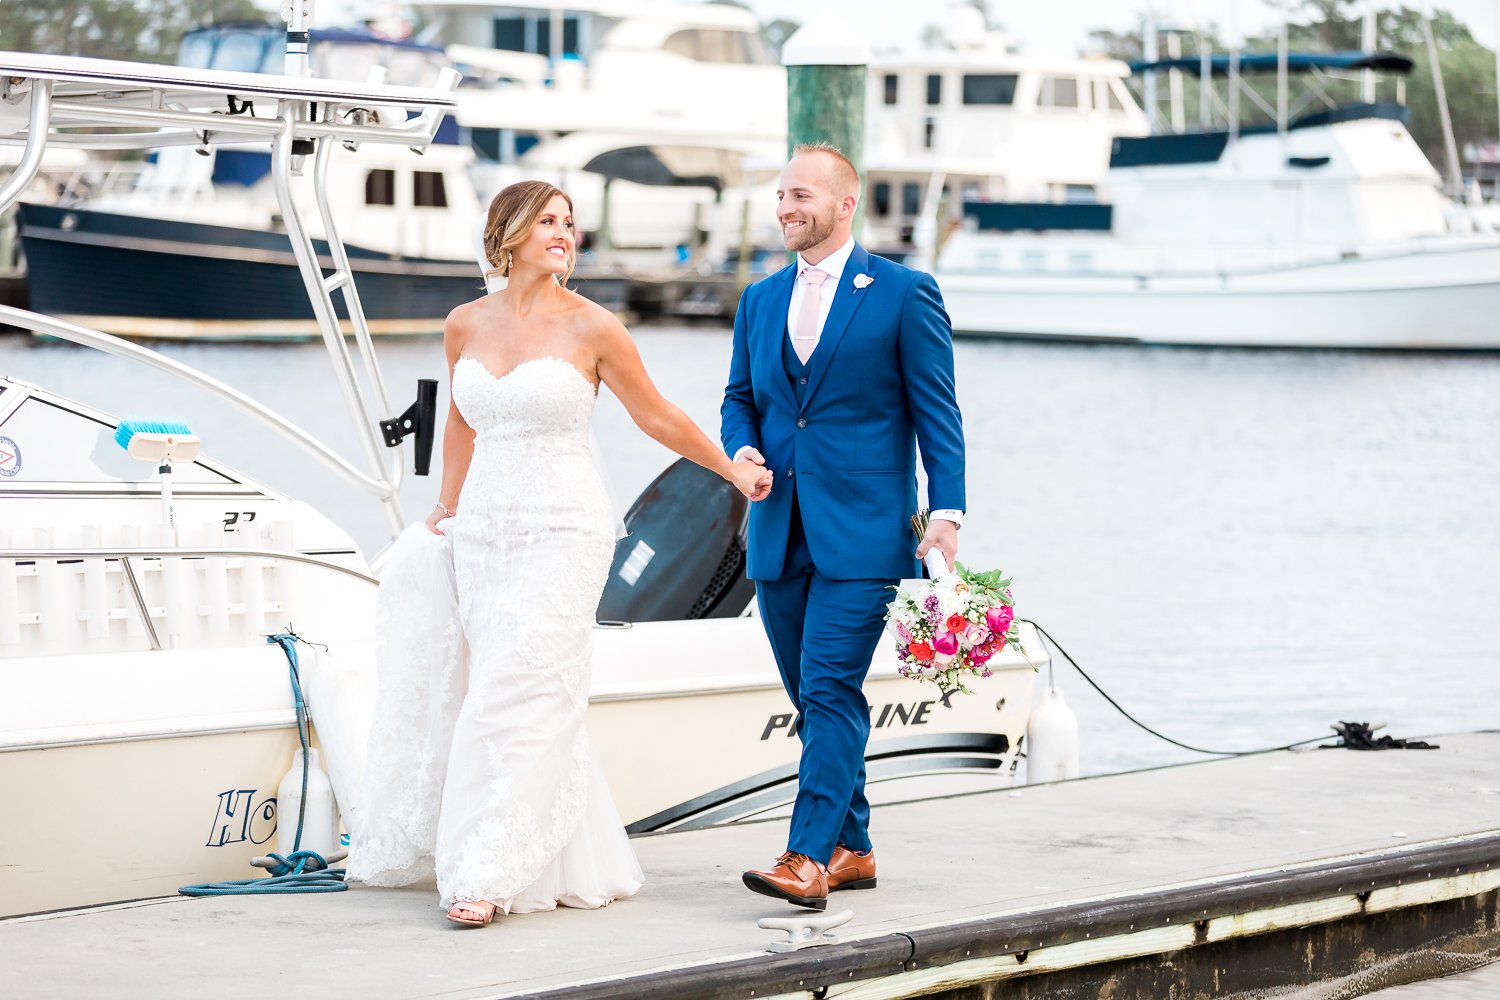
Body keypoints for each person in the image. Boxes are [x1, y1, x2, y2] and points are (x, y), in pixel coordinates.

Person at [349, 180, 773, 927]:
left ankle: (485, 869)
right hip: (485, 530)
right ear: (507, 233)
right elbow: (460, 421)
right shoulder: (462, 324)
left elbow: (657, 416)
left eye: (570, 224)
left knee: (520, 686)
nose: (564, 234)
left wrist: (731, 470)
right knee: (498, 689)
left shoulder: (595, 328)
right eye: (548, 221)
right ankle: (561, 856)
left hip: (564, 527)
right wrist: (446, 505)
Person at [720, 144, 966, 909]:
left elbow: (938, 412)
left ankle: (807, 855)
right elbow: (739, 399)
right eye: (781, 195)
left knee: (830, 686)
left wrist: (947, 514)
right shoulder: (759, 299)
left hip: (864, 532)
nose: (786, 207)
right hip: (776, 529)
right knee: (814, 695)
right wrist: (741, 450)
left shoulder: (902, 293)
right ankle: (854, 845)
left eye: (801, 194)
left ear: (843, 202)